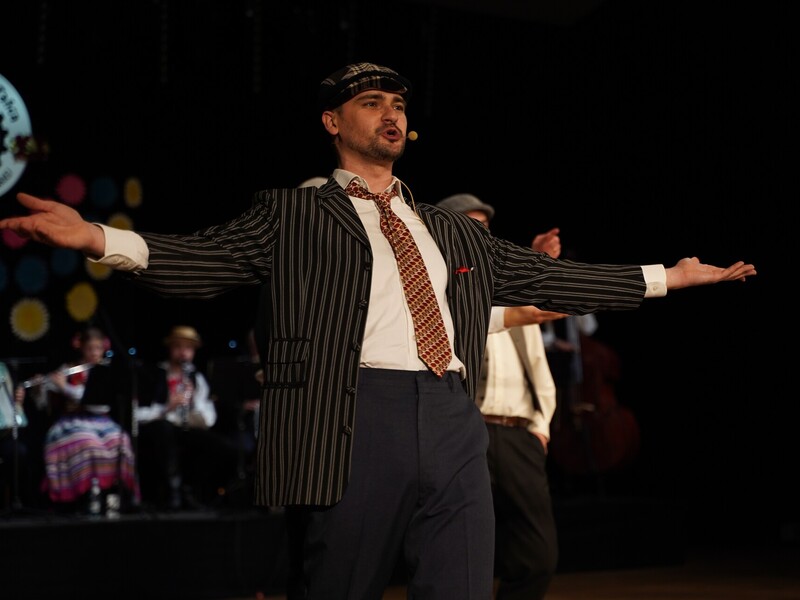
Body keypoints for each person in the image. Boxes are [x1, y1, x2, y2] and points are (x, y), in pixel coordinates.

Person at [0, 62, 756, 598]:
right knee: (341, 584)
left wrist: (668, 277)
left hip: (453, 414)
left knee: (463, 586)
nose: (391, 112)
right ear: (333, 122)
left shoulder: (446, 228)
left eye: (397, 102)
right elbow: (204, 259)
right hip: (355, 415)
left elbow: (550, 279)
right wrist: (97, 237)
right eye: (370, 102)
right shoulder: (294, 212)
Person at [437, 192, 565, 599]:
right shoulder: (437, 288)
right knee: (461, 551)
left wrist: (540, 427)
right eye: (472, 228)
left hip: (517, 434)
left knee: (537, 555)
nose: (483, 236)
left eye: (486, 229)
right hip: (464, 431)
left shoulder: (504, 281)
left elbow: (532, 309)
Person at [34, 326, 139, 513]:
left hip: (101, 420)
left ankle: (115, 493)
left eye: (99, 348)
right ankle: (88, 495)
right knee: (88, 444)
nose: (95, 353)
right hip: (71, 422)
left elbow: (98, 404)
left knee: (120, 441)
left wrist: (65, 387)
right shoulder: (67, 369)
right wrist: (40, 388)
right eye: (90, 348)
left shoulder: (105, 372)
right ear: (81, 347)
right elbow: (43, 403)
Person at [135, 325, 238, 510]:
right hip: (157, 428)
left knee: (222, 447)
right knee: (165, 431)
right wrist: (168, 407)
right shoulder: (154, 374)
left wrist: (193, 402)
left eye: (188, 348)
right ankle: (172, 492)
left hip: (185, 427)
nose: (183, 353)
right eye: (178, 347)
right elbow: (138, 414)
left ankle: (188, 489)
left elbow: (209, 416)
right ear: (170, 348)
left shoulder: (196, 378)